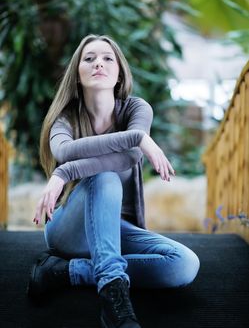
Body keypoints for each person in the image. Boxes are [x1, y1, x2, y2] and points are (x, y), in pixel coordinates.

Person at [27, 34, 200, 328]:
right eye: (89, 58)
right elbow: (64, 151)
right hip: (67, 228)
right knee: (105, 177)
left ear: (119, 73)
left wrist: (67, 170)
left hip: (113, 228)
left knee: (183, 264)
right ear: (77, 74)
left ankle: (65, 272)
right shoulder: (64, 118)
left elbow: (128, 158)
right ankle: (112, 293)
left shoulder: (136, 109)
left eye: (108, 58)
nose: (99, 63)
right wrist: (137, 138)